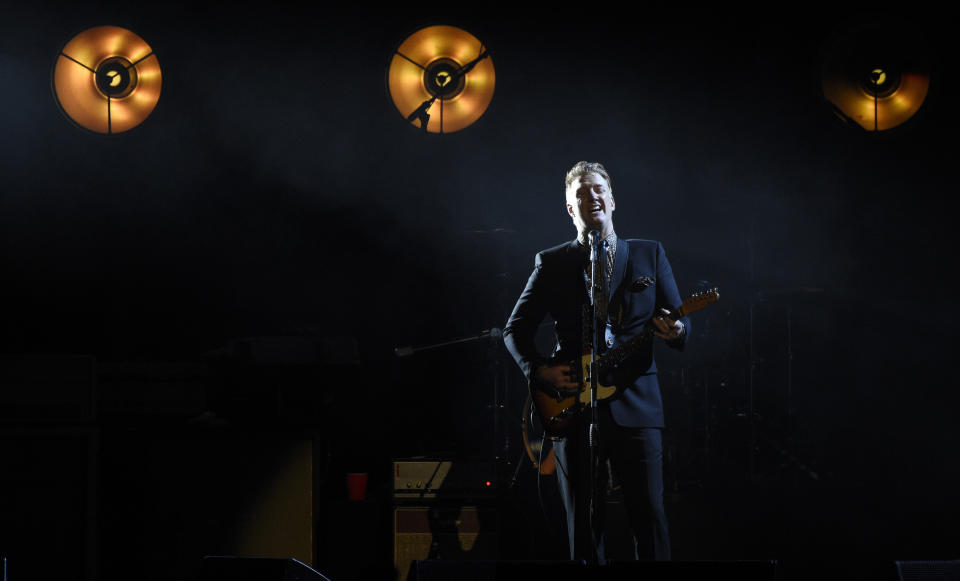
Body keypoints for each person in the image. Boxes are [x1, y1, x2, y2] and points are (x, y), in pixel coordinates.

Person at [503, 161, 688, 563]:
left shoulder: (648, 254)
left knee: (649, 518)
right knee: (585, 525)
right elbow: (514, 331)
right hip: (575, 409)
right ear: (571, 209)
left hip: (637, 406)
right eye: (582, 194)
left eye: (598, 189)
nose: (592, 198)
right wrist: (539, 369)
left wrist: (677, 331)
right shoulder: (552, 263)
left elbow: (678, 319)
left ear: (613, 199)